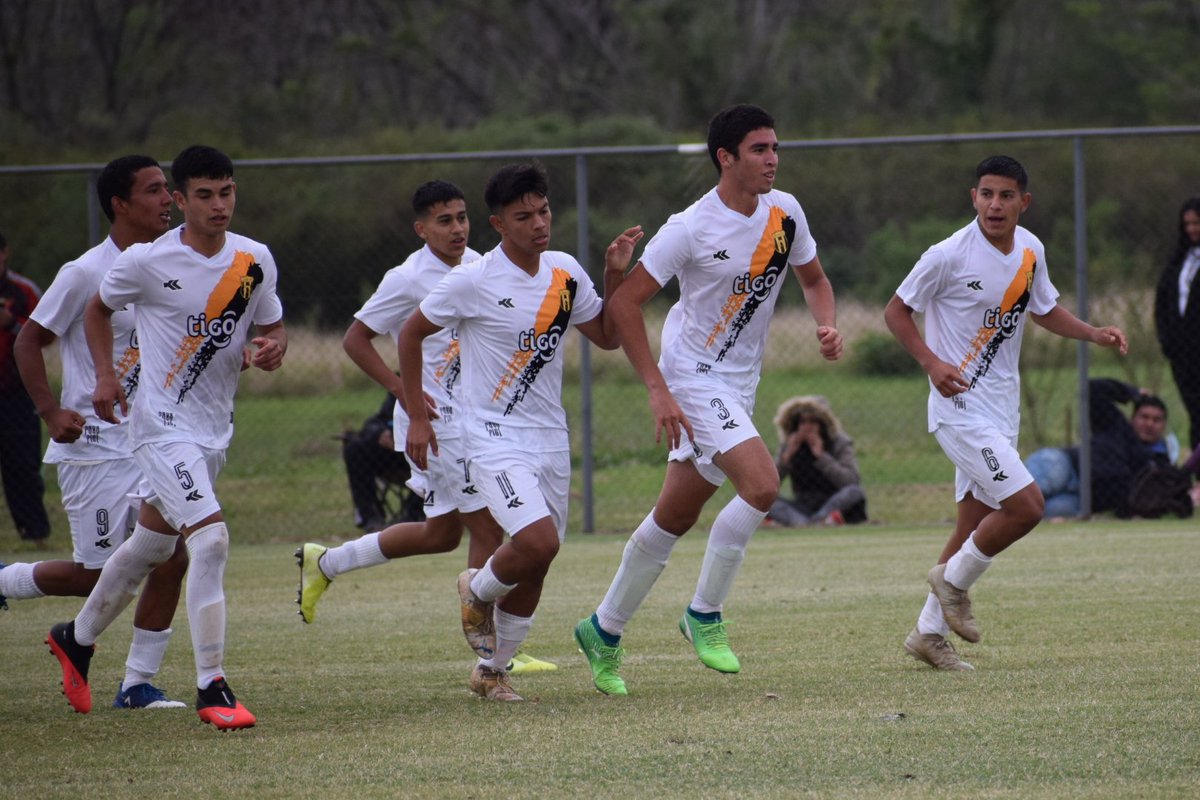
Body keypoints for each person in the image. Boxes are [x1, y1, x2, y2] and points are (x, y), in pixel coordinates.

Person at [574, 104, 843, 696]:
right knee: (763, 485)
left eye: (775, 148)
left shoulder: (785, 212)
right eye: (758, 150)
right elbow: (623, 305)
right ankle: (704, 614)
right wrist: (658, 390)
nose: (772, 159)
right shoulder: (690, 228)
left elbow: (816, 280)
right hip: (693, 376)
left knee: (674, 515)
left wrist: (825, 324)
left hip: (739, 383)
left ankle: (603, 629)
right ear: (726, 158)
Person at [46, 145, 287, 730]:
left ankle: (75, 638)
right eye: (203, 194)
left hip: (211, 431)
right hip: (157, 427)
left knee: (152, 547)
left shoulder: (254, 259)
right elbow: (99, 312)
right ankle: (213, 685)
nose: (218, 205)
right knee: (211, 540)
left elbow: (271, 323)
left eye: (225, 192)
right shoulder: (148, 261)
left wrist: (273, 346)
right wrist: (105, 374)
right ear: (180, 201)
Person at [399, 163, 639, 701]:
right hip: (491, 438)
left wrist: (614, 274)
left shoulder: (565, 271)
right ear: (498, 224)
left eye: (544, 211)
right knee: (537, 540)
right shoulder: (473, 279)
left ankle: (492, 672)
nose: (538, 224)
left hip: (550, 438)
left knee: (540, 558)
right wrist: (417, 413)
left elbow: (605, 337)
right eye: (523, 216)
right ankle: (477, 588)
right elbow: (411, 335)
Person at [295, 179, 555, 674]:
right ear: (421, 229)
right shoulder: (407, 278)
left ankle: (324, 562)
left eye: (461, 217)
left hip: (475, 418)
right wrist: (407, 400)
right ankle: (497, 655)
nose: (457, 228)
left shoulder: (482, 265)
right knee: (488, 523)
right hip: (437, 423)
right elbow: (356, 340)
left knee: (441, 535)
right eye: (444, 221)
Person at [884, 155, 1127, 672]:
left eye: (1007, 195)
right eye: (987, 194)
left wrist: (1094, 333)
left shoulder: (1031, 249)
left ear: (1024, 201)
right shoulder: (947, 255)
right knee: (1027, 507)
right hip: (959, 410)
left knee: (971, 524)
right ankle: (951, 583)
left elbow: (1041, 308)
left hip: (1001, 410)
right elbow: (896, 311)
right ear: (973, 196)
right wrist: (931, 362)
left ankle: (927, 633)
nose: (996, 205)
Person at [5, 155, 190, 709]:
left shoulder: (175, 263)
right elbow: (27, 341)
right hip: (95, 446)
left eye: (168, 189)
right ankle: (5, 580)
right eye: (155, 190)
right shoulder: (84, 272)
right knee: (97, 576)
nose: (168, 199)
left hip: (152, 438)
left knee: (172, 556)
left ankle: (137, 683)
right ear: (120, 204)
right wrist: (50, 412)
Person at [1026, 379, 1184, 518]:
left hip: (1080, 499)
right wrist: (1131, 392)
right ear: (1133, 418)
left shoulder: (1159, 463)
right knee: (1019, 499)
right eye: (1144, 417)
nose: (1149, 424)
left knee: (1030, 515)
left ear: (1164, 425)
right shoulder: (1115, 424)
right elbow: (1093, 389)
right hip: (1065, 466)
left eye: (1156, 420)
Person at [0, 232, 52, 545]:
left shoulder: (23, 291)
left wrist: (11, 323)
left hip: (17, 393)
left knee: (22, 465)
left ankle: (35, 535)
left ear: (5, 253)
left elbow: (45, 335)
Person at [766, 394, 866, 527]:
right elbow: (769, 484)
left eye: (813, 422)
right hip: (801, 506)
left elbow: (850, 481)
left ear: (823, 424)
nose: (807, 427)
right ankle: (809, 523)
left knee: (855, 492)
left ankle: (816, 521)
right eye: (802, 422)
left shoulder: (839, 443)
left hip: (833, 502)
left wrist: (822, 456)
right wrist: (787, 456)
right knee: (766, 500)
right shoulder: (789, 444)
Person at [1154, 196, 1200, 454]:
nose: (1192, 229)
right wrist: (1167, 341)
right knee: (1195, 414)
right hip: (1183, 355)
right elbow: (1164, 302)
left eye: (1197, 223)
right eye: (1188, 224)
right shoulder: (1179, 261)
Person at [340, 391, 424, 532]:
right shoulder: (401, 387)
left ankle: (413, 515)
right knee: (355, 448)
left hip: (426, 454)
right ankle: (371, 518)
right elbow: (376, 421)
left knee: (435, 455)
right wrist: (380, 433)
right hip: (396, 455)